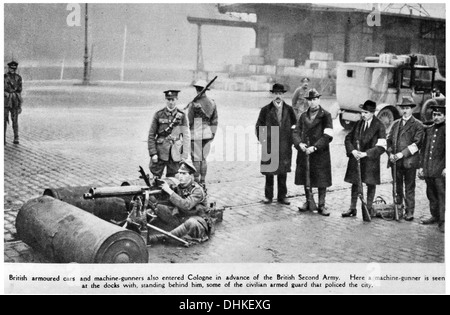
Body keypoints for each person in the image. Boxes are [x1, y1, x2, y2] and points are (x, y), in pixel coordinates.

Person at [147, 160, 212, 244]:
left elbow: (186, 205)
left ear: (191, 176)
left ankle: (162, 238)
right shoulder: (179, 187)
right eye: (180, 173)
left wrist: (170, 191)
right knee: (157, 207)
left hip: (197, 220)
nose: (180, 176)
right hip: (182, 217)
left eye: (184, 174)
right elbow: (168, 201)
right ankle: (140, 227)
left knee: (190, 223)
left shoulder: (197, 190)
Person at [342, 100, 387, 220]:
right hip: (356, 158)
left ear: (372, 113)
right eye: (362, 112)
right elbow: (348, 138)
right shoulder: (358, 124)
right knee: (355, 183)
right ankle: (352, 208)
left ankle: (367, 208)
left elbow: (382, 147)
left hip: (370, 161)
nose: (363, 115)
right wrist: (353, 151)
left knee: (370, 184)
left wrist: (366, 154)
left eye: (366, 112)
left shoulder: (379, 126)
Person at [293, 88, 333, 216]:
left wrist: (315, 147)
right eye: (310, 100)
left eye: (314, 99)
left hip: (320, 153)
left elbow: (328, 135)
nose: (312, 102)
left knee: (322, 179)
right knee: (306, 177)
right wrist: (300, 144)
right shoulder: (303, 115)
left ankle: (322, 205)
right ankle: (308, 200)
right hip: (305, 152)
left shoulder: (326, 115)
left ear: (319, 99)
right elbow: (295, 132)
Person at [255, 83, 296, 205]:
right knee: (269, 172)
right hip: (270, 146)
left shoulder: (289, 110)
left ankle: (282, 196)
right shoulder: (265, 110)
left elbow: (295, 126)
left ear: (283, 95)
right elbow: (258, 126)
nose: (278, 96)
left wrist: (291, 140)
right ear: (272, 94)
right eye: (275, 93)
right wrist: (264, 141)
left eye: (280, 94)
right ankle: (268, 196)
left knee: (282, 172)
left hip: (284, 145)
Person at [386, 96, 424, 221]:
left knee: (409, 187)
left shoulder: (418, 125)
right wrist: (390, 153)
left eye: (407, 108)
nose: (405, 111)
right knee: (397, 186)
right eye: (403, 108)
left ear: (412, 109)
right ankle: (399, 208)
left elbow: (417, 144)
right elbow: (389, 140)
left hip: (409, 162)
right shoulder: (396, 124)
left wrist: (401, 154)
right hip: (395, 162)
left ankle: (410, 211)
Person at [148, 90, 190, 178]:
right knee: (156, 178)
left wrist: (184, 155)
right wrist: (153, 153)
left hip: (175, 153)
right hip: (160, 152)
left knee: (173, 180)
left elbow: (186, 136)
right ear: (165, 100)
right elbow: (151, 135)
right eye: (168, 99)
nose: (171, 102)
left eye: (173, 99)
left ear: (177, 99)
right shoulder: (159, 114)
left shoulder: (181, 115)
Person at [186, 79, 218, 189]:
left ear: (197, 89)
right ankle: (203, 181)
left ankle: (196, 181)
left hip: (196, 133)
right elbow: (215, 121)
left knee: (196, 158)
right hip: (208, 133)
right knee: (203, 158)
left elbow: (189, 121)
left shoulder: (194, 104)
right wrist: (212, 134)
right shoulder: (212, 103)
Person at [419, 104, 445, 233]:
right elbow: (424, 150)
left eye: (439, 115)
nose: (436, 117)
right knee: (431, 195)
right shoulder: (429, 130)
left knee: (442, 195)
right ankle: (434, 216)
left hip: (440, 171)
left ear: (445, 116)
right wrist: (421, 167)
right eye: (434, 115)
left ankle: (444, 221)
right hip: (429, 169)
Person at [4, 60, 23, 144]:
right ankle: (3, 138)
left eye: (13, 69)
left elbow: (20, 89)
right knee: (4, 119)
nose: (12, 70)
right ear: (8, 68)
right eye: (11, 68)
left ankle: (16, 137)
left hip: (15, 100)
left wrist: (17, 97)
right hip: (5, 100)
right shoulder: (4, 77)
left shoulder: (18, 77)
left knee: (15, 120)